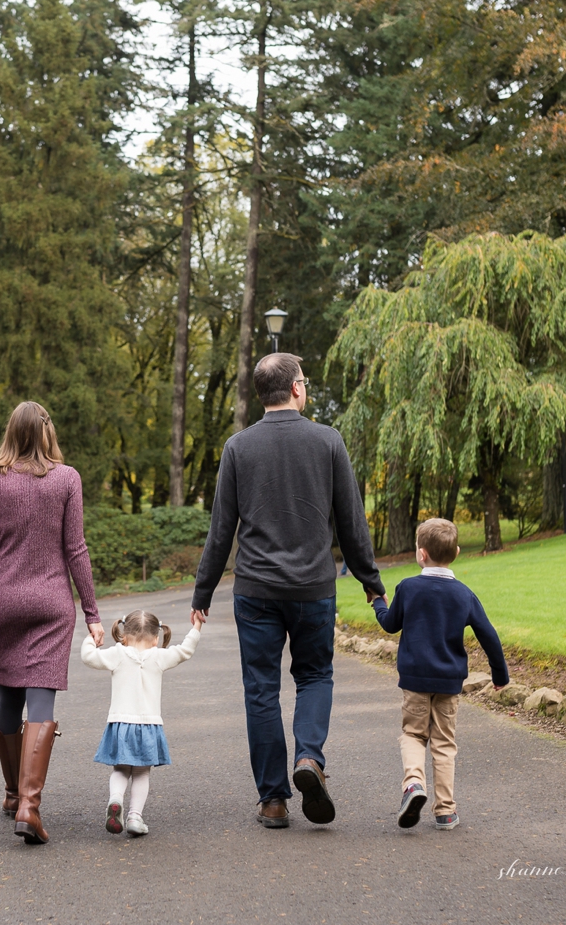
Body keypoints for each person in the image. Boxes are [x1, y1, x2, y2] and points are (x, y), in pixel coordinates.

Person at [193, 352, 386, 828]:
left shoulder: (238, 448)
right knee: (315, 676)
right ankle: (308, 759)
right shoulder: (328, 441)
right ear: (296, 389)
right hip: (313, 588)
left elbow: (221, 531)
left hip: (255, 589)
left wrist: (202, 594)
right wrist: (371, 582)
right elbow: (350, 520)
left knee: (260, 690)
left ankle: (274, 801)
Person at [0, 401, 105, 845]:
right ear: (45, 432)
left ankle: (10, 792)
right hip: (51, 605)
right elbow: (75, 549)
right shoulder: (66, 479)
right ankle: (28, 806)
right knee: (40, 704)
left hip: (3, 604)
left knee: (8, 698)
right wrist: (93, 613)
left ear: (10, 433)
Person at [370, 517, 508, 831]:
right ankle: (445, 811)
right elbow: (489, 635)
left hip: (415, 680)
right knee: (444, 743)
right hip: (449, 683)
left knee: (413, 735)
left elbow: (391, 624)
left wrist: (379, 603)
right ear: (457, 552)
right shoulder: (463, 594)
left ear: (421, 554)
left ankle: (414, 784)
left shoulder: (408, 587)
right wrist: (499, 675)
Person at [81, 609, 203, 837]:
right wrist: (196, 627)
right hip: (149, 725)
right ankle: (135, 817)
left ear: (123, 636)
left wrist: (91, 638)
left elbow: (88, 657)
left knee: (120, 768)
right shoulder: (158, 656)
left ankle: (116, 799)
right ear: (156, 638)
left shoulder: (117, 654)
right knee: (141, 773)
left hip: (120, 724)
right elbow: (186, 650)